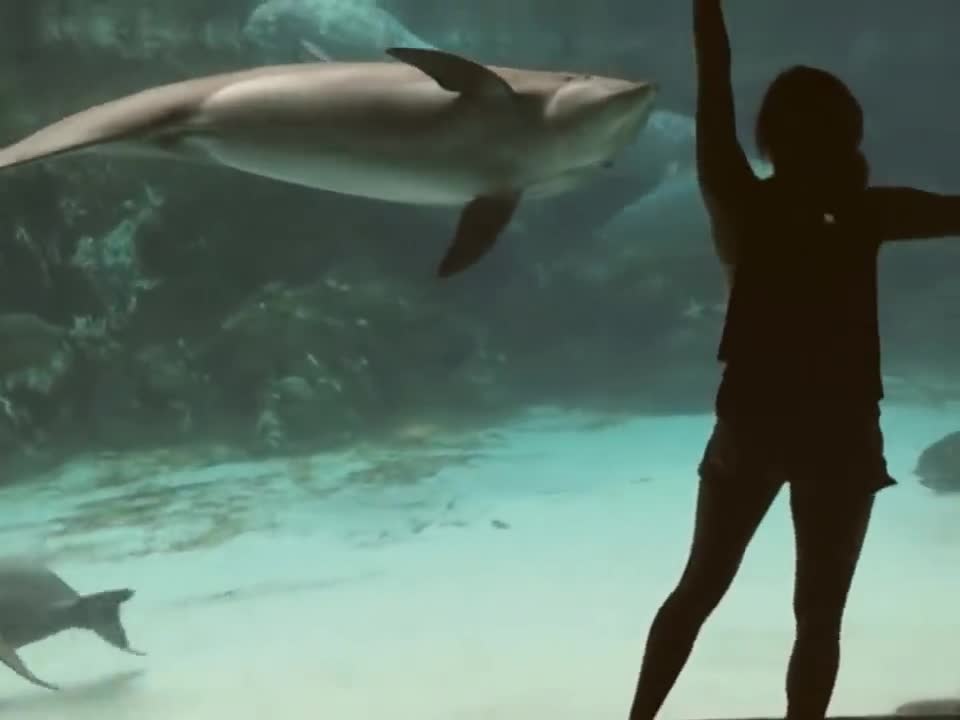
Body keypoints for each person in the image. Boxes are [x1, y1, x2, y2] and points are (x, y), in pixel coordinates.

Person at [627, 1, 960, 719]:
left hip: (751, 421)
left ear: (768, 137)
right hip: (840, 433)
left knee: (698, 589)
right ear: (852, 135)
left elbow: (712, 88)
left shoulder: (740, 199)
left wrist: (707, 9)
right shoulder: (871, 212)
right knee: (819, 617)